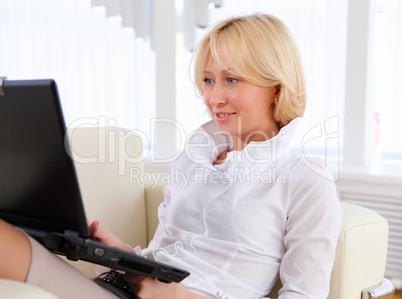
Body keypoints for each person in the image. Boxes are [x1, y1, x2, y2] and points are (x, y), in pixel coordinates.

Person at [0, 13, 342, 299]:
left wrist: (176, 296)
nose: (214, 97)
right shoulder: (195, 157)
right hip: (122, 289)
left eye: (232, 80)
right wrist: (119, 254)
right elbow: (163, 254)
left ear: (277, 88)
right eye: (208, 81)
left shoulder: (306, 180)